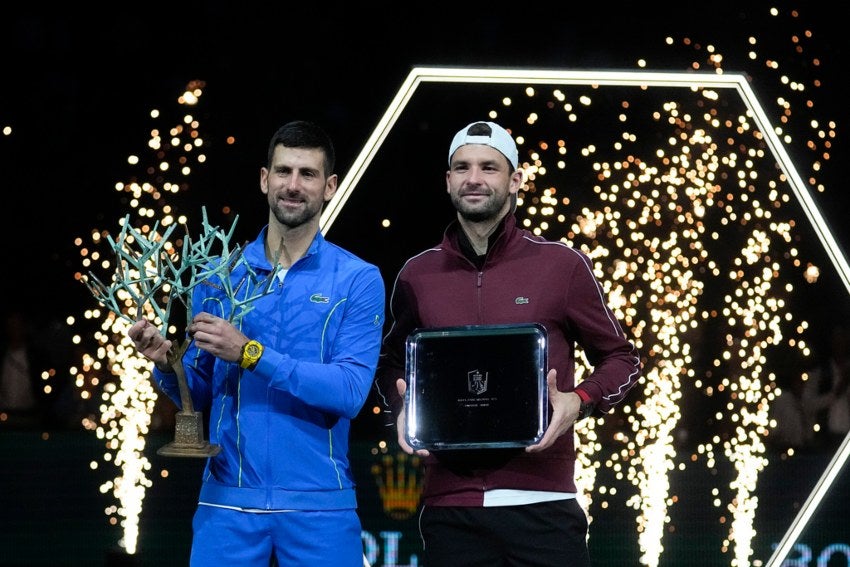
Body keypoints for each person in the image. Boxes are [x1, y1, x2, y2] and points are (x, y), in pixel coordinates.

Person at [375, 120, 642, 566]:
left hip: (544, 504)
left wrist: (580, 400)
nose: (474, 178)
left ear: (515, 180)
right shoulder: (417, 275)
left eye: (489, 168)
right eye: (462, 167)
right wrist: (402, 408)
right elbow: (389, 365)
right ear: (447, 181)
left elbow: (621, 358)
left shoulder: (561, 264)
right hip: (450, 508)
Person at [128, 120, 385, 566]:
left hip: (319, 507)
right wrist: (167, 365)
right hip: (227, 504)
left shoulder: (358, 279)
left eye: (307, 174)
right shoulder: (218, 275)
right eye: (283, 171)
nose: (293, 185)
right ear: (265, 179)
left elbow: (349, 392)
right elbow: (201, 393)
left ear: (329, 186)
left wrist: (251, 353)